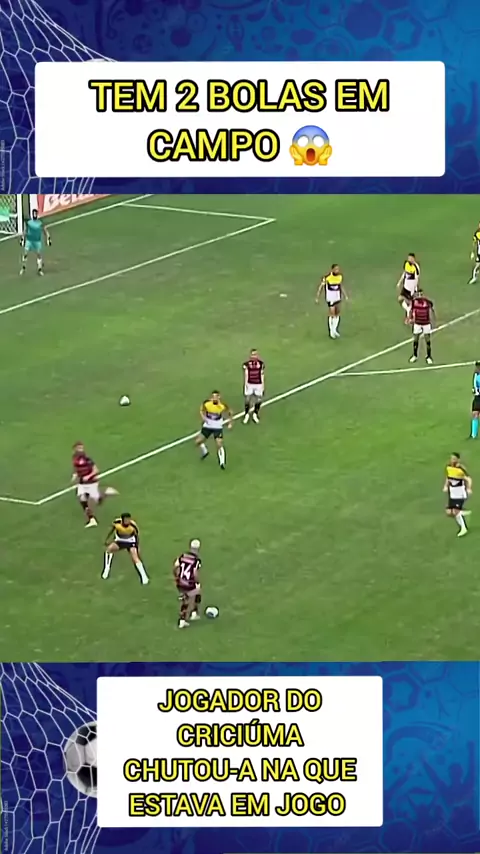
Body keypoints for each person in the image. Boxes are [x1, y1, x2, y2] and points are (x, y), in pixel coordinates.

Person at [72, 442, 118, 528]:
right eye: (79, 448)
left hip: (91, 483)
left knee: (96, 502)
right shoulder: (74, 458)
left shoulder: (87, 459)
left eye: (81, 448)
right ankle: (92, 519)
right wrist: (75, 474)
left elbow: (96, 470)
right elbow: (76, 468)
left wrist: (88, 476)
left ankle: (105, 493)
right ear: (75, 449)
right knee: (82, 499)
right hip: (82, 483)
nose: (81, 450)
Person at [102, 513, 149, 584]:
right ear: (122, 520)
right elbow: (111, 530)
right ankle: (106, 569)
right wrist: (107, 539)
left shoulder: (133, 525)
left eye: (128, 519)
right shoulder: (116, 523)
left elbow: (137, 535)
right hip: (120, 541)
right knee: (109, 550)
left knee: (135, 557)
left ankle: (144, 576)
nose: (128, 521)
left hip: (130, 542)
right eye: (126, 520)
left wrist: (137, 546)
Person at [195, 391, 233, 469]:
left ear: (219, 397)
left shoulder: (222, 405)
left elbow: (230, 412)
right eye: (213, 397)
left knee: (219, 444)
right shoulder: (207, 403)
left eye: (216, 396)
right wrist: (203, 417)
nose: (214, 398)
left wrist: (230, 423)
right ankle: (205, 451)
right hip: (208, 425)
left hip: (217, 426)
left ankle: (222, 462)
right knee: (198, 442)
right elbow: (202, 410)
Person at [174, 539, 202, 628]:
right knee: (197, 591)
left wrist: (176, 576)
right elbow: (195, 573)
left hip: (180, 581)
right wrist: (197, 582)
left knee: (186, 598)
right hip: (189, 583)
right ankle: (192, 614)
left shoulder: (183, 556)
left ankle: (187, 616)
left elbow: (176, 566)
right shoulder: (196, 560)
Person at [443, 453, 472, 538]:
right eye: (451, 458)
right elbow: (448, 477)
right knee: (449, 512)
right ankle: (461, 512)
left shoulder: (460, 469)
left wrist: (469, 488)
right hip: (452, 492)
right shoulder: (448, 467)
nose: (452, 460)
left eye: (454, 459)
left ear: (458, 460)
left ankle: (463, 528)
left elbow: (468, 479)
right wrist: (446, 486)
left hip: (460, 492)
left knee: (455, 511)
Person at [315, 264, 347, 339]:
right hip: (330, 298)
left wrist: (345, 295)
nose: (337, 270)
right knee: (332, 313)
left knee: (337, 313)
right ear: (332, 270)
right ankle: (331, 331)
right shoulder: (327, 278)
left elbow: (341, 286)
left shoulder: (340, 277)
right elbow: (321, 287)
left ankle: (335, 329)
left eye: (338, 269)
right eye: (335, 269)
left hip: (337, 297)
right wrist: (317, 297)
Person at [20, 209, 51, 276]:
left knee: (39, 254)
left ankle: (40, 270)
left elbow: (45, 231)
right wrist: (22, 238)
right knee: (25, 254)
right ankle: (23, 268)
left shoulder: (40, 223)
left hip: (37, 241)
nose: (34, 215)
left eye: (35, 214)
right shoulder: (29, 222)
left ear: (37, 215)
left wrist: (48, 238)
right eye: (33, 214)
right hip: (29, 240)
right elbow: (25, 231)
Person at [408, 289, 435, 365]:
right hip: (417, 323)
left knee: (427, 340)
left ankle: (428, 357)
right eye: (418, 294)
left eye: (421, 294)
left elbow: (431, 310)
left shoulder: (427, 302)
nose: (419, 296)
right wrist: (410, 318)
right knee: (415, 338)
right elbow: (411, 311)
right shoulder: (414, 302)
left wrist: (433, 320)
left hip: (426, 323)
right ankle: (415, 355)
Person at [243, 349, 265, 424]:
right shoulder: (246, 364)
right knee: (247, 399)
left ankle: (255, 413)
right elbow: (246, 374)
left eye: (255, 354)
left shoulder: (261, 364)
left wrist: (263, 385)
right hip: (250, 384)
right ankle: (246, 414)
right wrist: (246, 385)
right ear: (250, 356)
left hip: (258, 384)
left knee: (258, 400)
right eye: (252, 355)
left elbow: (262, 374)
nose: (254, 356)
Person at [397, 253, 420, 322]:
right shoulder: (406, 264)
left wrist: (414, 289)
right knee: (400, 299)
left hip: (411, 288)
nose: (409, 259)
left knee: (410, 303)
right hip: (405, 286)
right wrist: (400, 282)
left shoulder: (416, 267)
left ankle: (409, 317)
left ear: (414, 259)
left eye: (411, 258)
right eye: (409, 258)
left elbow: (416, 279)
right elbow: (405, 273)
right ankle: (408, 310)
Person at [471, 362, 480, 438]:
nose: (476, 368)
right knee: (475, 414)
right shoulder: (476, 375)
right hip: (477, 397)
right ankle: (473, 435)